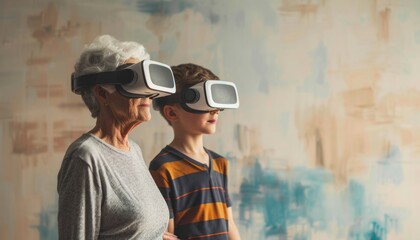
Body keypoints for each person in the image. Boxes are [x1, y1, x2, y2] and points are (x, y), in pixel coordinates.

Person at [57, 35, 179, 240]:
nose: (148, 94)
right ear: (102, 94)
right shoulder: (85, 158)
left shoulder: (134, 150)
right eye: (136, 83)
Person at [149, 63, 241, 239]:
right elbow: (168, 233)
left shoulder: (220, 163)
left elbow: (229, 223)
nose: (215, 110)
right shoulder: (163, 168)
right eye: (204, 102)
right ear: (172, 113)